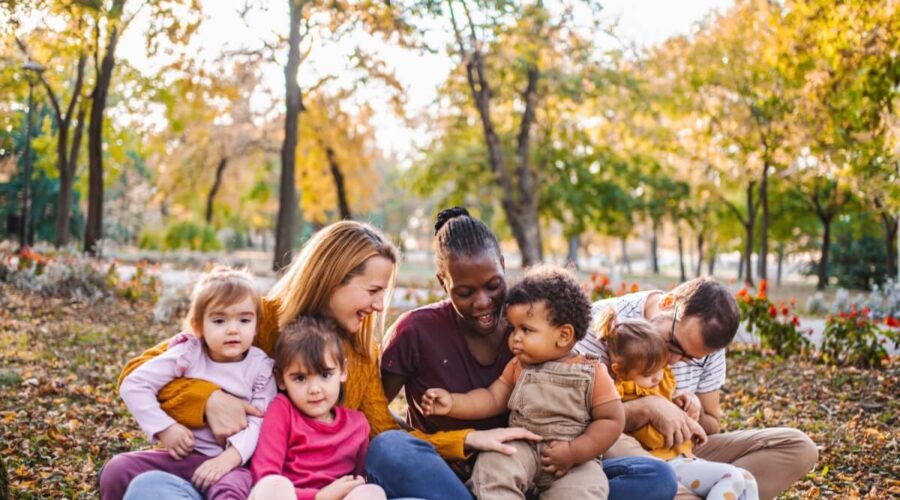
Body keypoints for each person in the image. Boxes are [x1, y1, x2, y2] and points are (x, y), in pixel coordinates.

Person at [117, 220, 535, 500]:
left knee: (390, 452)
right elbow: (140, 373)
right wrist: (208, 399)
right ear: (333, 277)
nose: (377, 306)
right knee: (140, 482)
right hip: (235, 474)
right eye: (372, 291)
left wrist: (463, 440)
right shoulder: (251, 320)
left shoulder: (357, 353)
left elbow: (382, 432)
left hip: (319, 489)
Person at [382, 206, 678, 499]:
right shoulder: (415, 331)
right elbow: (374, 415)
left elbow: (605, 414)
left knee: (656, 477)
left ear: (502, 264)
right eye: (465, 292)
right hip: (463, 472)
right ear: (442, 282)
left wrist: (574, 452)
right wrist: (456, 432)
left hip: (556, 467)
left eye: (493, 285)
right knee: (390, 449)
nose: (483, 302)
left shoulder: (534, 322)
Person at [575, 278, 818, 500]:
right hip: (624, 456)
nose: (671, 361)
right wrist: (648, 407)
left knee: (798, 447)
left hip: (681, 454)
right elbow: (575, 422)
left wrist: (691, 409)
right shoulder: (604, 326)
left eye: (689, 358)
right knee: (607, 437)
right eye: (673, 344)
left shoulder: (706, 348)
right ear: (668, 303)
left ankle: (705, 491)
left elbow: (711, 425)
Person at [422, 265, 624, 499]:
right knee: (493, 465)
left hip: (572, 458)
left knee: (586, 488)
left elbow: (611, 420)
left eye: (526, 330)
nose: (515, 337)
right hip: (521, 446)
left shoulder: (592, 371)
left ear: (564, 335)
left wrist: (575, 451)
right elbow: (491, 398)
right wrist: (453, 403)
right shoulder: (519, 366)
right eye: (513, 328)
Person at [100, 266, 278, 500]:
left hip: (232, 465)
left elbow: (260, 423)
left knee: (230, 492)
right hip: (183, 455)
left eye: (244, 320)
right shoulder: (188, 352)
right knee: (117, 469)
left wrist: (228, 460)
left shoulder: (261, 367)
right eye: (219, 320)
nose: (233, 329)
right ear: (198, 326)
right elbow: (135, 384)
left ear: (256, 326)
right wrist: (165, 428)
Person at [598, 311, 759, 500]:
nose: (657, 378)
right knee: (730, 477)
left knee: (748, 479)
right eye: (649, 374)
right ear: (619, 370)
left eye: (661, 369)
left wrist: (687, 406)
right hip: (662, 461)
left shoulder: (658, 383)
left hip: (683, 456)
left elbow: (672, 413)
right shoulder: (620, 391)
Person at [248, 316, 385, 500]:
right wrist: (320, 496)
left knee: (372, 492)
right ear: (281, 379)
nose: (314, 389)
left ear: (343, 371)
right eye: (300, 378)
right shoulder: (282, 411)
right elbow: (264, 475)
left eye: (325, 374)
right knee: (272, 485)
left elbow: (359, 479)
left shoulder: (358, 424)